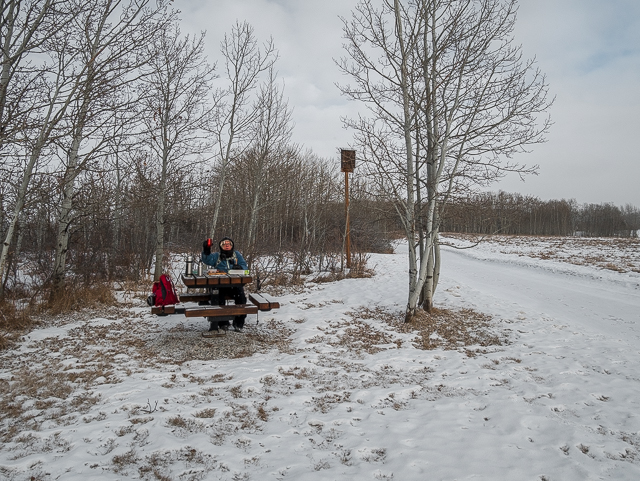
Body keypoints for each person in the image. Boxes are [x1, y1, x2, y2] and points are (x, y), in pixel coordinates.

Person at [201, 236, 249, 333]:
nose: (226, 245)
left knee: (241, 299)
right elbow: (207, 260)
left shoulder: (237, 255)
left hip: (234, 284)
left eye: (229, 244)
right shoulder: (217, 256)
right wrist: (206, 250)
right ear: (220, 246)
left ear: (232, 246)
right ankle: (223, 323)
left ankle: (239, 323)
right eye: (224, 244)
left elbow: (245, 267)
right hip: (220, 284)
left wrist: (239, 267)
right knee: (218, 297)